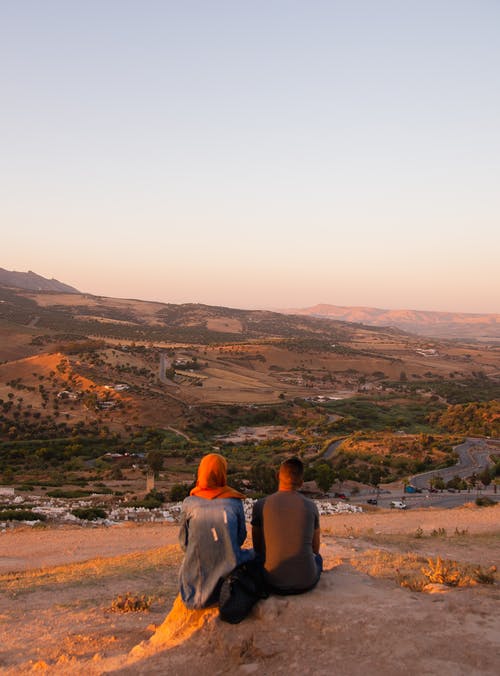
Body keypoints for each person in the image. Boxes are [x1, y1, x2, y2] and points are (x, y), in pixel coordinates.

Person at [178, 453, 254, 609]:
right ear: (222, 473)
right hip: (229, 572)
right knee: (258, 555)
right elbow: (240, 538)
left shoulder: (189, 503)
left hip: (192, 590)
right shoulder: (234, 501)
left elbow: (184, 543)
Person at [251, 457, 322, 594]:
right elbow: (315, 549)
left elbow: (258, 548)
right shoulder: (311, 506)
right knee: (318, 559)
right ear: (301, 483)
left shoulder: (260, 505)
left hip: (272, 582)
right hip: (306, 581)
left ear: (278, 476)